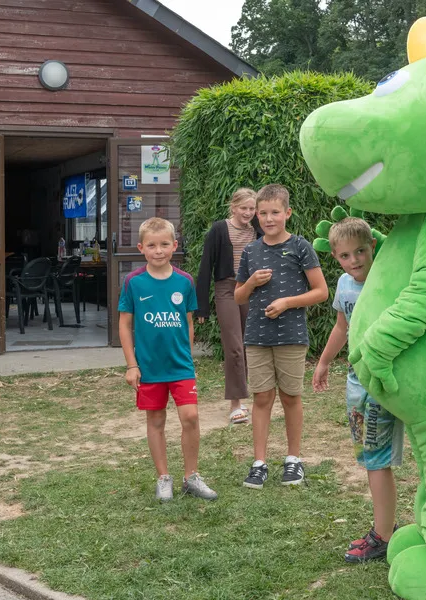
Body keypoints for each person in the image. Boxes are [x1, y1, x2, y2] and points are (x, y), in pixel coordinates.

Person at [312, 217, 404, 562]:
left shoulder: (389, 280)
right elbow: (342, 327)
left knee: (376, 461)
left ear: (373, 247)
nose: (355, 261)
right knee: (369, 459)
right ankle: (387, 526)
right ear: (335, 257)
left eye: (361, 251)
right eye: (346, 255)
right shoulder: (344, 284)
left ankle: (382, 535)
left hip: (382, 384)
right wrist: (323, 362)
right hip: (355, 383)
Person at [234, 184, 328, 488]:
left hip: (291, 334)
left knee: (290, 396)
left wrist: (287, 302)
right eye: (263, 213)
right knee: (261, 397)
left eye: (275, 212)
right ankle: (259, 463)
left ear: (287, 213)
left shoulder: (301, 247)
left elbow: (321, 292)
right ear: (256, 216)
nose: (269, 218)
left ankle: (293, 460)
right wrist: (250, 283)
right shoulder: (251, 250)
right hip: (257, 336)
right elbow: (238, 297)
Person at [118, 217, 217, 502]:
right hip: (148, 366)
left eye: (164, 244)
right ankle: (163, 477)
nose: (158, 250)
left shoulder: (185, 281)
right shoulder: (133, 282)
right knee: (156, 419)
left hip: (180, 365)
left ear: (174, 246)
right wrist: (132, 365)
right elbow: (125, 324)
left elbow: (188, 322)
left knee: (190, 416)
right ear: (141, 248)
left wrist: (187, 353)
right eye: (151, 245)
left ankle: (191, 476)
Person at [196, 188, 263, 425]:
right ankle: (236, 403)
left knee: (249, 344)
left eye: (251, 208)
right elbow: (205, 266)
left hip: (251, 289)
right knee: (234, 346)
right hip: (226, 289)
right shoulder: (219, 229)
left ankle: (254, 395)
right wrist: (201, 306)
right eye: (243, 208)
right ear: (232, 207)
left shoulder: (258, 229)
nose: (247, 212)